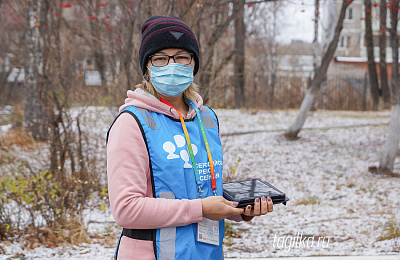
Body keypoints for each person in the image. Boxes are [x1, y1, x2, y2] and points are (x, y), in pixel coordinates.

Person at [106, 16, 273, 260]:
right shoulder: (132, 123)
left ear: (193, 64)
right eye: (161, 58)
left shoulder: (206, 118)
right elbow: (126, 209)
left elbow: (202, 188)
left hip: (205, 252)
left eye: (182, 57)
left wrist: (238, 208)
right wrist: (200, 209)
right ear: (148, 69)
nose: (172, 65)